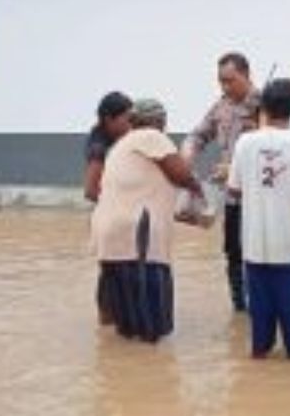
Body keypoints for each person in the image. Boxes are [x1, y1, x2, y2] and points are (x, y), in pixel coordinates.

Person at [228, 78, 290, 360]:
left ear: (264, 108)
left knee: (260, 347)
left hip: (255, 247)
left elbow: (234, 189)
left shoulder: (245, 143)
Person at [91, 99, 203, 342]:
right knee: (153, 331)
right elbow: (181, 174)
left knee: (128, 331)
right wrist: (198, 189)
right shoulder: (151, 137)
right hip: (138, 241)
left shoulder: (122, 145)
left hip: (110, 241)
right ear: (159, 121)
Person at [181, 52, 260, 312]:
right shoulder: (221, 106)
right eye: (221, 81)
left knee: (260, 251)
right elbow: (199, 134)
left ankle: (261, 304)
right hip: (233, 197)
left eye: (230, 80)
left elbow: (274, 149)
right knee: (233, 250)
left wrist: (236, 167)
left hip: (261, 195)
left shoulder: (264, 104)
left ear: (246, 75)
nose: (225, 87)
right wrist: (189, 151)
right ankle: (239, 308)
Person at [83, 91, 133, 326]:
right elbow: (90, 190)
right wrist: (121, 203)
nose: (130, 124)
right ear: (109, 119)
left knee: (115, 272)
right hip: (109, 219)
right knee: (111, 273)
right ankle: (106, 321)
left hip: (115, 217)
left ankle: (112, 324)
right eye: (126, 118)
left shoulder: (115, 140)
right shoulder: (99, 147)